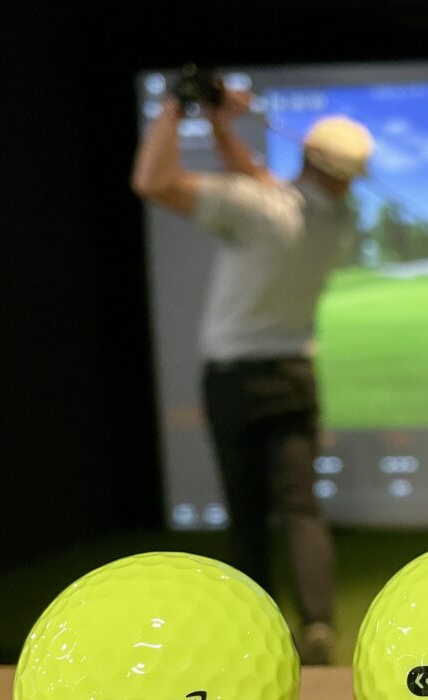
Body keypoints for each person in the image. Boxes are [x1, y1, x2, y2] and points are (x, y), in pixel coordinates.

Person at [131, 89, 373, 664]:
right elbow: (265, 183)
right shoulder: (338, 219)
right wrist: (222, 123)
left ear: (307, 157)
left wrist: (173, 106)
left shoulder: (258, 206)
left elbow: (151, 180)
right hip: (294, 375)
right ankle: (318, 626)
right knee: (300, 508)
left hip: (235, 379)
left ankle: (257, 631)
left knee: (246, 515)